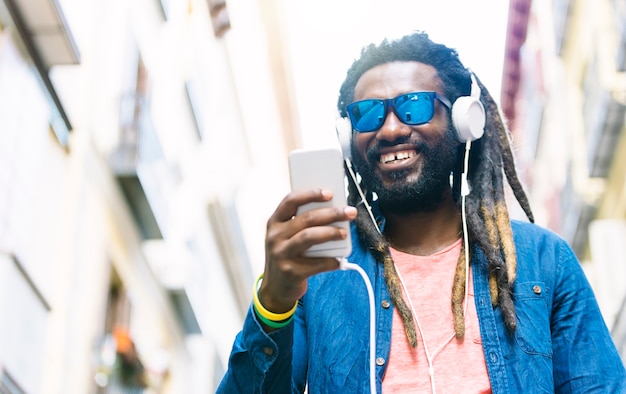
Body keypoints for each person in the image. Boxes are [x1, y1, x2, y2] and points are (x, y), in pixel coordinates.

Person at [217, 31, 626, 393]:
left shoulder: (543, 261)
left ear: (464, 122)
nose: (391, 129)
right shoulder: (321, 279)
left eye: (415, 106)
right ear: (347, 140)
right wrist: (273, 302)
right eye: (368, 114)